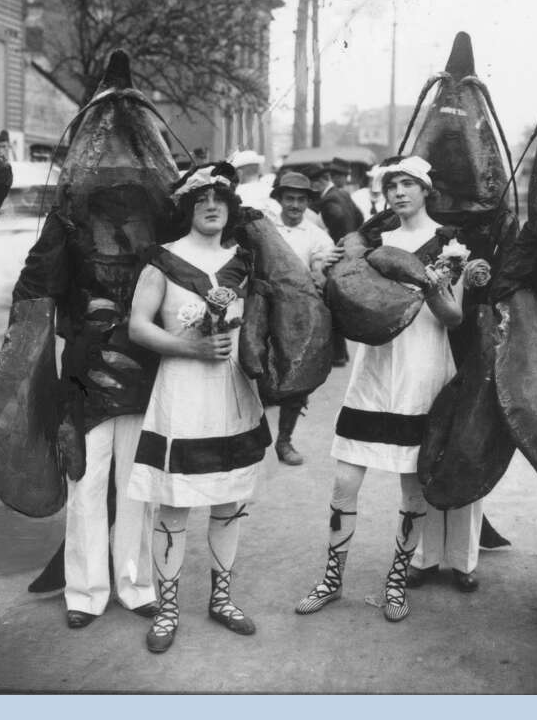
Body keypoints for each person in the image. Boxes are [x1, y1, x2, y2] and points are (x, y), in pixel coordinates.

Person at [296, 155, 475, 624]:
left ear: (425, 190)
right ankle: (332, 579)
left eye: (408, 184)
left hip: (422, 366)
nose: (399, 192)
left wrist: (433, 286)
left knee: (411, 486)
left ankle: (396, 583)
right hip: (374, 367)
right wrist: (329, 265)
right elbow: (343, 291)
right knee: (345, 479)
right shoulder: (371, 239)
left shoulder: (451, 243)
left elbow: (454, 316)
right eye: (392, 184)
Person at [125, 162, 271, 653]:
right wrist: (191, 348)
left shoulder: (244, 260)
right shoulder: (162, 260)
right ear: (187, 207)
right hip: (182, 391)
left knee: (229, 498)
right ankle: (167, 609)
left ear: (231, 208)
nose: (211, 206)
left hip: (230, 392)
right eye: (201, 199)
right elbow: (138, 327)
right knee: (175, 499)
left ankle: (221, 598)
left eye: (220, 199)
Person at [265, 170, 340, 465]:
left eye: (300, 199)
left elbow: (321, 271)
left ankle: (284, 441)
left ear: (308, 202)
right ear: (280, 199)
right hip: (263, 307)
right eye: (289, 198)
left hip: (298, 316)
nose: (295, 205)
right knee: (252, 372)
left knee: (297, 376)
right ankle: (247, 438)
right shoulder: (266, 227)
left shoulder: (318, 236)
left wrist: (320, 272)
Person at [310, 159, 364, 367]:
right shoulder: (343, 194)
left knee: (330, 303)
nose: (313, 189)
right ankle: (339, 353)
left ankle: (338, 353)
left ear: (324, 180)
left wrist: (337, 248)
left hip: (338, 256)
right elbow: (359, 219)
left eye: (314, 183)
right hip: (352, 251)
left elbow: (339, 228)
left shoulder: (329, 202)